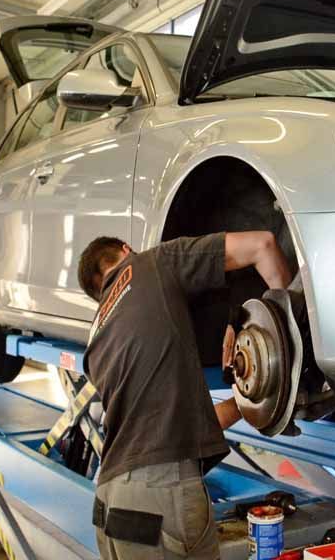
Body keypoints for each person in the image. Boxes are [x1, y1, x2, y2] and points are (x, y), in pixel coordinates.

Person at [77, 231, 292, 559]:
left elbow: (178, 426)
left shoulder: (95, 341)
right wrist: (295, 333)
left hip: (110, 503)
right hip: (159, 499)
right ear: (126, 250)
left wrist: (249, 398)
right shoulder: (151, 263)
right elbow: (262, 244)